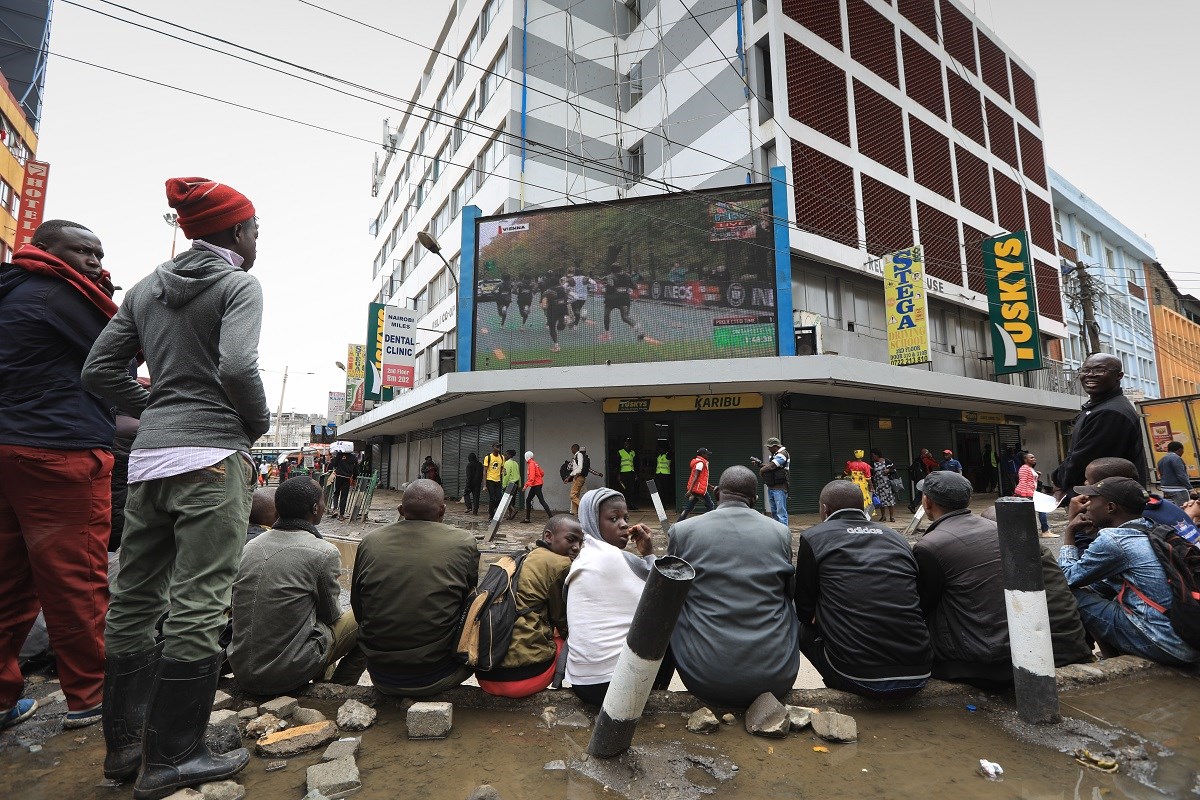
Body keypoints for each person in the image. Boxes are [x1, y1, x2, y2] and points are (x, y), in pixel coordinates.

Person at [82, 177, 267, 793]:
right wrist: (255, 421)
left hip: (150, 460)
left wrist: (153, 404)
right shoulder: (239, 284)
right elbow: (238, 366)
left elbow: (98, 369)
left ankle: (123, 751)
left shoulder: (143, 289)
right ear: (236, 233)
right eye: (255, 229)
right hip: (213, 456)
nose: (258, 238)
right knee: (200, 601)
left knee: (135, 597)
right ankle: (173, 756)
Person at [1, 219, 117, 733]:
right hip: (57, 450)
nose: (93, 262)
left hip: (9, 449)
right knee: (77, 581)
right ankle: (89, 696)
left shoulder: (11, 293)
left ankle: (4, 697)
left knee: (10, 583)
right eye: (82, 251)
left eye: (98, 253)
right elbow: (120, 352)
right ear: (43, 249)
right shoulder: (59, 295)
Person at [668, 467, 799, 706]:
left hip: (704, 679)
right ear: (755, 500)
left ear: (717, 493)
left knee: (673, 600)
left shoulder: (683, 531)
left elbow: (668, 594)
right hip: (776, 680)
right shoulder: (780, 532)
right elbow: (789, 592)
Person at [794, 480, 931, 699]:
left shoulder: (814, 537)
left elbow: (803, 609)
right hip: (919, 672)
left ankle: (834, 680)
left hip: (856, 676)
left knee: (793, 618)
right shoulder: (897, 538)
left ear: (824, 509)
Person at [228, 478, 364, 695]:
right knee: (367, 615)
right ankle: (338, 688)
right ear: (314, 508)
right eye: (322, 502)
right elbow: (331, 615)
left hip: (242, 669)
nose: (324, 507)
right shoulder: (323, 551)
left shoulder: (251, 546)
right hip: (283, 674)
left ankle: (326, 679)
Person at [351, 479, 479, 695]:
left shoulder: (370, 541)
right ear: (443, 511)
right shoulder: (463, 541)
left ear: (400, 510)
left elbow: (358, 608)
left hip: (382, 674)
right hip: (438, 673)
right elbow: (469, 601)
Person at [1060, 477, 1199, 666]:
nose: (1087, 506)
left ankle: (1103, 658)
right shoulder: (1151, 528)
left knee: (1070, 596)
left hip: (1165, 644)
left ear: (1110, 507)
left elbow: (1066, 579)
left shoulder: (1114, 540)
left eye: (1092, 500)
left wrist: (1070, 531)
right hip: (1188, 637)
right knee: (1100, 588)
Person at [564, 488, 661, 706]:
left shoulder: (586, 554)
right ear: (592, 521)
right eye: (613, 518)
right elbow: (660, 597)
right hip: (614, 685)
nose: (624, 525)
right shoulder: (612, 558)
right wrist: (648, 552)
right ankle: (651, 696)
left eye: (626, 518)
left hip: (583, 683)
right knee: (671, 621)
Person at [477, 515, 583, 698]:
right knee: (565, 638)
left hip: (486, 676)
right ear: (548, 537)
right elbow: (563, 620)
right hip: (525, 679)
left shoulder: (521, 558)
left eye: (581, 542)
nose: (577, 547)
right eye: (571, 539)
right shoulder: (562, 564)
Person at [1053, 353, 1147, 500]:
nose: (1090, 375)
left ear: (1119, 376)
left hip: (1111, 502)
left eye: (1099, 370)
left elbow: (1083, 459)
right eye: (1085, 370)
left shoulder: (1110, 413)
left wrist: (1059, 481)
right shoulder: (1097, 408)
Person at [1066, 457, 1199, 552]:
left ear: (1109, 484)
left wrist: (1073, 522)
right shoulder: (1160, 504)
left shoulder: (1131, 518)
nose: (1085, 483)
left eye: (1089, 480)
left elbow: (1082, 568)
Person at [1014, 451, 1052, 536]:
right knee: (1041, 509)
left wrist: (1037, 476)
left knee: (1030, 513)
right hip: (1028, 494)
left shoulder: (1030, 468)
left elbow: (1031, 481)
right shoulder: (1024, 468)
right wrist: (1024, 494)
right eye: (1031, 457)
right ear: (1025, 460)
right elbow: (1023, 482)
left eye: (1034, 457)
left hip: (1031, 493)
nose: (1034, 459)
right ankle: (1045, 531)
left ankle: (1033, 531)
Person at [759, 437, 791, 525]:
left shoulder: (783, 454)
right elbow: (770, 467)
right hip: (772, 487)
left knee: (781, 513)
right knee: (774, 512)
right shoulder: (775, 455)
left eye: (769, 447)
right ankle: (778, 532)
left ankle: (784, 534)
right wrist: (760, 465)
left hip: (780, 489)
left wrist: (762, 470)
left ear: (775, 446)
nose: (768, 449)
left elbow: (772, 466)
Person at [678, 447, 714, 520]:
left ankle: (680, 520)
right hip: (698, 490)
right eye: (706, 454)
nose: (708, 456)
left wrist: (709, 486)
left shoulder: (700, 462)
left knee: (689, 507)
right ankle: (710, 521)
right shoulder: (700, 463)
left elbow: (701, 479)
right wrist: (690, 490)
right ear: (702, 454)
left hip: (696, 489)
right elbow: (695, 477)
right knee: (710, 506)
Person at [1157, 441, 1192, 506]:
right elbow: (1181, 475)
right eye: (1182, 450)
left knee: (1171, 510)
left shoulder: (1161, 460)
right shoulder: (1177, 458)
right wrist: (1190, 488)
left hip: (1165, 489)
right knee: (1184, 510)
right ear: (1179, 449)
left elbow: (1161, 474)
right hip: (1177, 489)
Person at [522, 451, 553, 523]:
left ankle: (551, 517)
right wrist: (538, 478)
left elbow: (532, 477)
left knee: (541, 501)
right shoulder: (535, 463)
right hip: (537, 484)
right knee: (529, 500)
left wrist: (525, 486)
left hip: (536, 485)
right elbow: (542, 473)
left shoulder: (531, 464)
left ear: (526, 456)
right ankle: (527, 518)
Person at [870, 448, 897, 523]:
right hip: (878, 485)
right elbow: (870, 474)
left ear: (877, 455)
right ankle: (883, 516)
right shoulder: (872, 464)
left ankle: (892, 516)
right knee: (881, 501)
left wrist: (889, 471)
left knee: (889, 500)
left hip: (887, 484)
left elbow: (894, 469)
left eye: (873, 455)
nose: (872, 457)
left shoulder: (887, 461)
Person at [844, 449, 873, 514]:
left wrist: (841, 478)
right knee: (864, 498)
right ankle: (864, 514)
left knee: (853, 498)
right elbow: (868, 477)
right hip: (863, 485)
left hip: (853, 484)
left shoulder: (851, 464)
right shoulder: (865, 465)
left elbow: (845, 472)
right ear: (862, 456)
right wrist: (871, 486)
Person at [330, 451, 355, 520]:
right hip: (347, 478)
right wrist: (354, 478)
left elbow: (333, 464)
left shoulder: (339, 455)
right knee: (344, 496)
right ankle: (341, 515)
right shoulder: (353, 457)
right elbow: (356, 468)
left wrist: (337, 458)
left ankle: (335, 509)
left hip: (339, 477)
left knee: (336, 492)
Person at [483, 443, 505, 517]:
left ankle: (490, 509)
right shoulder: (488, 457)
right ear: (493, 447)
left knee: (499, 498)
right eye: (497, 446)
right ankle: (491, 516)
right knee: (492, 498)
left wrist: (503, 474)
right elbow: (485, 471)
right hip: (490, 480)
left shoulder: (502, 457)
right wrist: (484, 485)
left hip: (498, 480)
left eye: (499, 446)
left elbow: (502, 469)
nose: (498, 448)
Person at [618, 438, 639, 510]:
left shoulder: (633, 452)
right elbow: (617, 464)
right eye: (625, 444)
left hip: (631, 473)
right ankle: (624, 505)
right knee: (624, 489)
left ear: (630, 444)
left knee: (632, 490)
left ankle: (631, 505)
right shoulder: (620, 452)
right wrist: (618, 474)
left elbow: (635, 464)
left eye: (628, 443)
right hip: (623, 473)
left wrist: (636, 474)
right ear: (623, 445)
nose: (626, 445)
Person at [568, 443, 586, 514]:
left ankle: (584, 508)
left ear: (574, 449)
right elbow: (574, 469)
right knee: (576, 495)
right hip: (576, 477)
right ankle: (576, 513)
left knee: (572, 495)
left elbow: (580, 467)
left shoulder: (579, 455)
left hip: (578, 477)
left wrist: (576, 475)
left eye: (572, 449)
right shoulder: (575, 456)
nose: (571, 450)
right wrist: (569, 477)